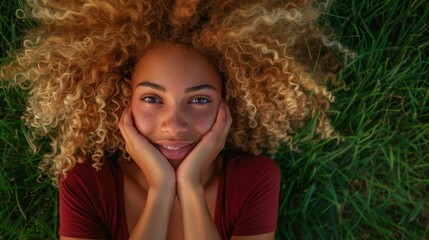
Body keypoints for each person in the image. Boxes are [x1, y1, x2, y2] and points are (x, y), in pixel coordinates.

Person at [1, 0, 346, 239]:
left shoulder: (254, 180)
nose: (175, 124)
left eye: (198, 100)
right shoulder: (85, 184)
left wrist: (190, 186)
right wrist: (162, 189)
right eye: (152, 98)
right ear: (125, 98)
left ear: (229, 99)